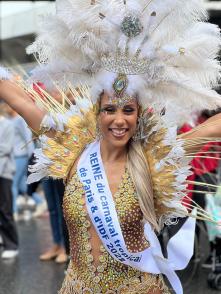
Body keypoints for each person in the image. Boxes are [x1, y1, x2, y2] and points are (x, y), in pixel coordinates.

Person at [1, 0, 221, 293]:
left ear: (139, 114)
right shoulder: (73, 149)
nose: (119, 120)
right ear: (97, 111)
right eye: (110, 110)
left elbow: (211, 128)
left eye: (128, 110)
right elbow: (20, 100)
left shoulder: (154, 160)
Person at [0, 101, 19, 259]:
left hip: (3, 173)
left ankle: (11, 244)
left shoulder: (7, 125)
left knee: (5, 210)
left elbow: (5, 149)